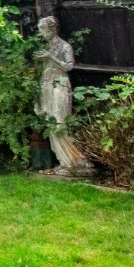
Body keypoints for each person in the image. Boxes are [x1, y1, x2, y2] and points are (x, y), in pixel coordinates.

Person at [34, 16, 90, 175]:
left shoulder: (65, 46)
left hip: (60, 85)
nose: (41, 34)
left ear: (51, 29)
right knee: (50, 120)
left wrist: (50, 57)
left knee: (60, 121)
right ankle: (63, 161)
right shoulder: (45, 47)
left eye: (43, 30)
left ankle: (75, 160)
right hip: (46, 85)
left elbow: (69, 67)